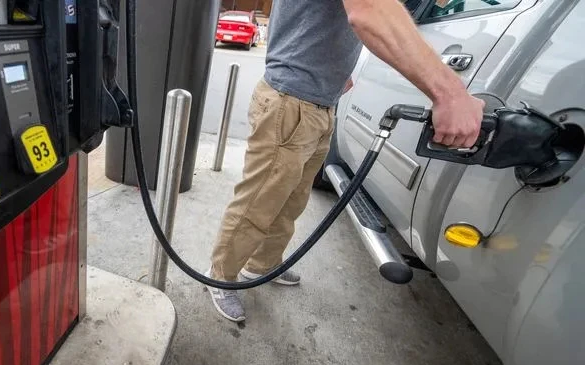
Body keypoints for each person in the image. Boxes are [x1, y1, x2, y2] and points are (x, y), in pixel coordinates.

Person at [205, 0, 485, 322]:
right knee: (258, 203)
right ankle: (221, 276)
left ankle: (262, 264)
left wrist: (337, 71)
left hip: (318, 102)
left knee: (290, 201)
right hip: (291, 103)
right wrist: (451, 94)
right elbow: (368, 11)